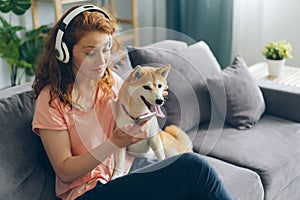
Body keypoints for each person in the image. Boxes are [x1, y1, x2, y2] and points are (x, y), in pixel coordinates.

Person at [32, 4, 233, 200]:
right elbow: (65, 171)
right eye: (91, 52)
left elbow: (137, 110)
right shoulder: (51, 101)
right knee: (195, 168)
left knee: (192, 183)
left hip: (125, 175)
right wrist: (114, 143)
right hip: (88, 192)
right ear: (64, 52)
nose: (102, 60)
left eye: (106, 49)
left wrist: (152, 100)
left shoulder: (110, 82)